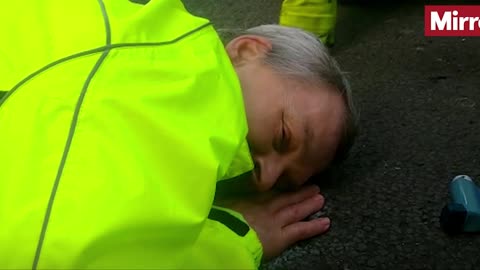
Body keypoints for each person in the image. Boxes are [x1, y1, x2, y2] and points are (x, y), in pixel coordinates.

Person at [0, 0, 356, 269]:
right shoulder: (180, 72)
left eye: (284, 183)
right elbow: (51, 255)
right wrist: (234, 242)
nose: (266, 180)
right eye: (283, 136)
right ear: (246, 51)